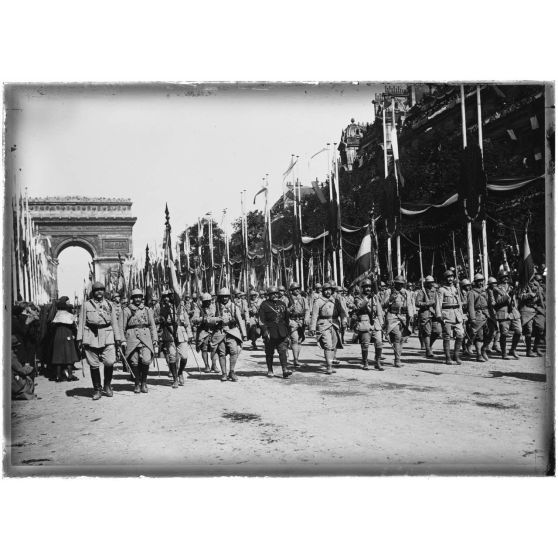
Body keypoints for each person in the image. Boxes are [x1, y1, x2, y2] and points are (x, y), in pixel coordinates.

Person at [77, 282, 123, 400]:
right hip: (91, 336)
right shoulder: (86, 305)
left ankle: (107, 385)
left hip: (107, 335)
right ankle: (97, 389)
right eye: (96, 290)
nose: (99, 292)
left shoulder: (109, 304)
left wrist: (118, 338)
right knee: (94, 364)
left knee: (109, 361)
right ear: (93, 292)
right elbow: (81, 322)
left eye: (101, 289)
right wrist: (80, 338)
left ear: (104, 291)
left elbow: (114, 322)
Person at [122, 289, 158, 394]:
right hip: (132, 337)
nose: (137, 299)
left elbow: (152, 326)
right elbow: (121, 326)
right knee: (134, 362)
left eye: (139, 297)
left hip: (146, 336)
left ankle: (144, 382)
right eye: (135, 297)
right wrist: (122, 340)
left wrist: (154, 338)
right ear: (132, 298)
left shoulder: (147, 310)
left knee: (146, 360)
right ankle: (137, 383)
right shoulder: (126, 310)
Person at [309, 282, 347, 374]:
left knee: (333, 346)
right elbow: (314, 315)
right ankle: (329, 366)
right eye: (325, 290)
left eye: (329, 290)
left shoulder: (336, 301)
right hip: (323, 325)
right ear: (322, 291)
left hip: (334, 324)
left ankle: (330, 364)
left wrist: (344, 320)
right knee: (328, 346)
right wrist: (312, 328)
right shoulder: (318, 301)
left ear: (332, 291)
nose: (327, 292)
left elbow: (342, 312)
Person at [209, 288, 246, 382]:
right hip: (220, 333)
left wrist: (244, 334)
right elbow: (209, 319)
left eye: (226, 296)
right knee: (222, 353)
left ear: (229, 297)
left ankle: (232, 371)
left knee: (234, 351)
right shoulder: (214, 306)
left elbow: (240, 320)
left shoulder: (234, 306)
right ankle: (224, 373)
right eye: (222, 296)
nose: (224, 298)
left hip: (232, 332)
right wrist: (218, 319)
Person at [158, 290, 193, 388]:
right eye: (170, 296)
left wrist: (190, 334)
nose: (171, 297)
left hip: (182, 333)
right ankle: (175, 379)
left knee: (184, 357)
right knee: (172, 357)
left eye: (174, 296)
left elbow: (187, 321)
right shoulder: (164, 308)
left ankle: (180, 372)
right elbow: (162, 322)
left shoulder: (181, 307)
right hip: (170, 334)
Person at [259, 286, 291, 378]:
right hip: (270, 332)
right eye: (272, 294)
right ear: (269, 295)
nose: (275, 295)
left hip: (282, 331)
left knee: (283, 351)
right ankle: (270, 370)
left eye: (276, 293)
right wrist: (265, 331)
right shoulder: (264, 305)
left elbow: (286, 319)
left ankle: (285, 370)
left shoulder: (282, 304)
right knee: (269, 352)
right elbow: (261, 320)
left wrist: (287, 332)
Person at [488, 271, 522, 359]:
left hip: (513, 312)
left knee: (519, 331)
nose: (506, 278)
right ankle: (504, 352)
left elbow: (515, 300)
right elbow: (497, 302)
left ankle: (513, 349)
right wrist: (507, 295)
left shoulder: (511, 287)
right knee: (504, 333)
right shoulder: (496, 289)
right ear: (500, 278)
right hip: (503, 312)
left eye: (507, 276)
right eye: (504, 277)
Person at [353, 279, 384, 370]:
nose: (368, 289)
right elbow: (359, 306)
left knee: (379, 343)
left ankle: (377, 361)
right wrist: (367, 299)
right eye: (366, 287)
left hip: (375, 323)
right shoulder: (358, 297)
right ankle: (365, 362)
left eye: (369, 287)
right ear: (362, 288)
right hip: (364, 322)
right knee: (365, 344)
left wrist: (381, 323)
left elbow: (379, 311)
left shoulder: (375, 297)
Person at [383, 275, 413, 368]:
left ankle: (397, 357)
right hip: (392, 316)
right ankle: (397, 360)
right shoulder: (388, 292)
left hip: (403, 317)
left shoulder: (406, 293)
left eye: (401, 284)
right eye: (397, 284)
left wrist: (411, 315)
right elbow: (383, 305)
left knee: (402, 339)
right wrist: (391, 298)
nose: (399, 286)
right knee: (397, 336)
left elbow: (410, 305)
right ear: (394, 283)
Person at [435, 269, 465, 365]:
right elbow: (438, 304)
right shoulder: (441, 290)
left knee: (460, 334)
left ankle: (456, 355)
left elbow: (459, 303)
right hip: (446, 315)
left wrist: (462, 314)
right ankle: (448, 357)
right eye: (448, 277)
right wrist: (439, 316)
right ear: (445, 279)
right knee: (447, 336)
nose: (450, 279)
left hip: (457, 315)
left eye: (452, 277)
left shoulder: (456, 289)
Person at [50, 296, 80, 382]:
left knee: (58, 356)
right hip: (67, 335)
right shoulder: (69, 315)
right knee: (69, 355)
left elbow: (52, 325)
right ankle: (70, 375)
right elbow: (73, 325)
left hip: (58, 336)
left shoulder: (56, 314)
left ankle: (58, 376)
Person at [467, 273, 492, 362]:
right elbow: (470, 306)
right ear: (475, 282)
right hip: (478, 315)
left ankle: (484, 349)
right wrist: (472, 318)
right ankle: (479, 354)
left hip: (487, 314)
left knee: (490, 334)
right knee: (479, 336)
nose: (481, 283)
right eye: (479, 281)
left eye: (482, 281)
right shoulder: (472, 292)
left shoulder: (485, 291)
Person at [518, 275, 546, 357]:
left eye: (541, 281)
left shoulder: (541, 289)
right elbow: (520, 297)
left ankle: (536, 347)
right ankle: (528, 350)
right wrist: (530, 295)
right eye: (538, 280)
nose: (540, 282)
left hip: (537, 310)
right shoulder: (526, 286)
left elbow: (544, 300)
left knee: (540, 328)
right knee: (528, 330)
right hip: (527, 310)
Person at [192, 293, 218, 372]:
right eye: (205, 301)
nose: (207, 303)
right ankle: (206, 365)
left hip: (213, 330)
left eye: (209, 301)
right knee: (204, 348)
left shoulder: (214, 307)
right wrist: (203, 318)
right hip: (203, 331)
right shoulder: (198, 308)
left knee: (214, 348)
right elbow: (194, 319)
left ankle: (214, 364)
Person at [415, 276, 439, 359]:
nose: (431, 284)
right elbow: (417, 303)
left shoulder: (435, 291)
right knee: (427, 332)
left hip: (434, 313)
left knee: (437, 331)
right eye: (429, 282)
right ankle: (428, 349)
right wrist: (427, 303)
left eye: (432, 282)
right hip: (425, 313)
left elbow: (438, 302)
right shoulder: (422, 291)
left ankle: (429, 345)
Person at [286, 282, 310, 368]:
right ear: (291, 290)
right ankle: (295, 360)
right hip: (292, 321)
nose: (297, 290)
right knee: (294, 339)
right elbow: (283, 311)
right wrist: (289, 309)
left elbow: (307, 310)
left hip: (301, 321)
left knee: (300, 340)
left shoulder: (303, 299)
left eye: (298, 289)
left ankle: (297, 358)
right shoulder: (287, 299)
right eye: (295, 289)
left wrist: (307, 318)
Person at [11, 336, 36, 400]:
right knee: (29, 376)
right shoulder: (11, 356)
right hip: (13, 381)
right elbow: (20, 370)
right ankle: (26, 392)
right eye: (15, 347)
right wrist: (29, 368)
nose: (16, 349)